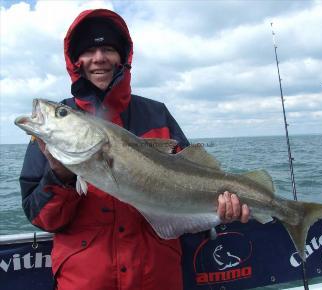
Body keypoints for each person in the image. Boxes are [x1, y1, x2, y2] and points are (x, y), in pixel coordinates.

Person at [19, 8, 250, 290]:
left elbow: (193, 185)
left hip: (156, 278)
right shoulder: (49, 140)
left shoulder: (157, 115)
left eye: (107, 49)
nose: (99, 58)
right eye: (89, 50)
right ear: (76, 61)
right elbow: (41, 218)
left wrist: (220, 210)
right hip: (85, 281)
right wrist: (60, 177)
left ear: (122, 58)